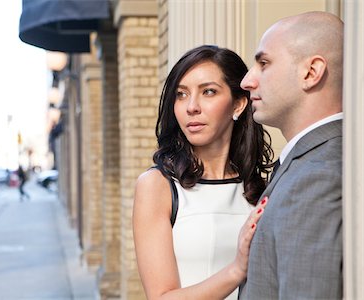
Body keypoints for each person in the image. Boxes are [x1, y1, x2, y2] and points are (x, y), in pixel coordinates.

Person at [133, 45, 273, 299]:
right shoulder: (158, 186)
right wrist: (235, 271)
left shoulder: (260, 188)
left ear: (239, 104)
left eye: (208, 92)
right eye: (181, 94)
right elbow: (161, 297)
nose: (191, 107)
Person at [239, 11, 343, 299]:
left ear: (311, 73)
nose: (247, 81)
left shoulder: (316, 177)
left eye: (263, 63)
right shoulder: (309, 162)